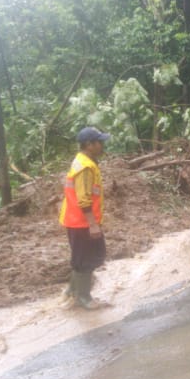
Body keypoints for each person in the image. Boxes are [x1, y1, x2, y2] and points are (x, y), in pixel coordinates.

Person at [58, 126, 111, 310]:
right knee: (87, 259)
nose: (102, 145)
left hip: (77, 220)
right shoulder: (85, 167)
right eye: (99, 142)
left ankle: (71, 292)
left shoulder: (84, 161)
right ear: (89, 145)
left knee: (84, 258)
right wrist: (92, 224)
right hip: (81, 222)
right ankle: (84, 298)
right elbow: (84, 198)